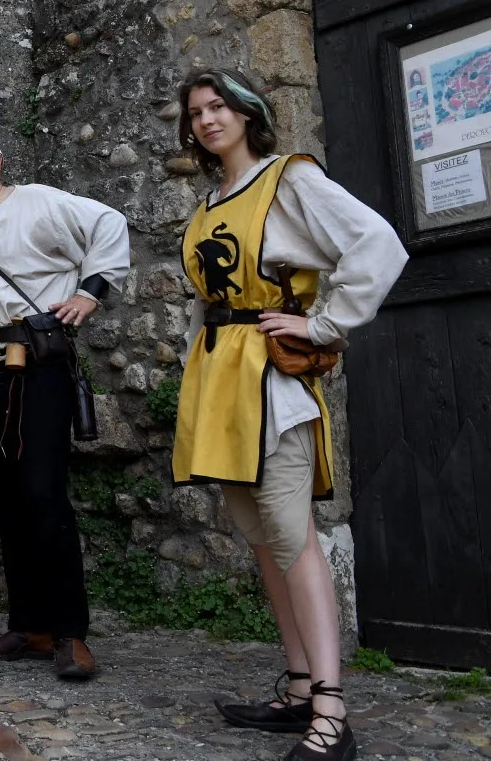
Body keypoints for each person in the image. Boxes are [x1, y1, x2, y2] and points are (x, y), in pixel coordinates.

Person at [174, 68, 405, 761]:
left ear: (248, 112)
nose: (209, 119)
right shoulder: (210, 202)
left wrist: (325, 324)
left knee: (292, 533)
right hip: (220, 382)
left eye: (220, 105)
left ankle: (332, 711)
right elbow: (205, 307)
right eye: (196, 111)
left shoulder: (289, 179)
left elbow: (378, 244)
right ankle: (301, 686)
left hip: (270, 384)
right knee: (262, 538)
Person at [0, 123, 129, 680]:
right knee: (2, 499)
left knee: (44, 496)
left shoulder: (40, 204)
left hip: (40, 366)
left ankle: (71, 634)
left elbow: (110, 224)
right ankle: (30, 626)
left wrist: (88, 293)